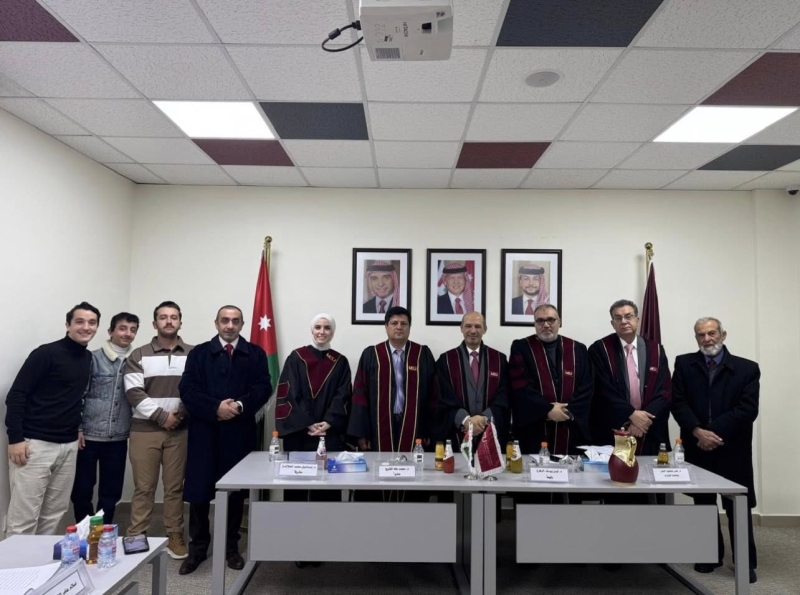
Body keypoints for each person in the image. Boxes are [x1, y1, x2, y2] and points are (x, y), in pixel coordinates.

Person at [178, 305, 272, 575]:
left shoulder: (255, 353)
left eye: (235, 321)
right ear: (216, 323)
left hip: (239, 432)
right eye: (225, 320)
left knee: (235, 492)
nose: (229, 325)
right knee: (199, 492)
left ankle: (231, 547)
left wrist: (239, 406)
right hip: (204, 431)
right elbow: (187, 389)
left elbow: (263, 387)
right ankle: (198, 549)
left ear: (242, 324)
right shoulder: (199, 353)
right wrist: (215, 408)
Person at [672, 317, 759, 584]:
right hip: (698, 445)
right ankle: (709, 555)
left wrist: (713, 433)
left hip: (732, 446)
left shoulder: (747, 368)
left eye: (712, 333)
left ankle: (745, 561)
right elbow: (678, 402)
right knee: (704, 504)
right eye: (701, 335)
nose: (707, 339)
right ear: (696, 338)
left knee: (737, 506)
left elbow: (747, 409)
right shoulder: (684, 364)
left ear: (723, 334)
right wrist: (698, 431)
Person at [5, 302, 99, 536]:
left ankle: (41, 560)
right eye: (79, 321)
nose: (86, 327)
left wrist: (77, 429)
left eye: (92, 323)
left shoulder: (87, 357)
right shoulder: (46, 353)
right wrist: (15, 438)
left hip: (68, 446)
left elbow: (73, 397)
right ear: (68, 325)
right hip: (34, 445)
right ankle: (14, 561)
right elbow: (16, 395)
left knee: (54, 513)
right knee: (23, 519)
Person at [124, 301, 192, 560]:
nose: (168, 321)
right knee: (144, 487)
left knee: (174, 487)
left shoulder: (194, 354)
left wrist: (179, 415)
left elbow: (196, 389)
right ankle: (136, 534)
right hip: (145, 431)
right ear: (154, 324)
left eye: (174, 317)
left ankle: (174, 534)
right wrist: (163, 417)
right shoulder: (139, 354)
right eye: (163, 317)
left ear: (180, 322)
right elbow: (133, 392)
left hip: (180, 430)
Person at [71, 312, 139, 525]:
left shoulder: (137, 362)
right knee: (82, 490)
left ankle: (102, 532)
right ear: (110, 331)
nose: (127, 333)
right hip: (88, 436)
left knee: (111, 492)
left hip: (118, 437)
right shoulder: (92, 359)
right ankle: (85, 531)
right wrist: (78, 428)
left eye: (133, 330)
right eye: (122, 328)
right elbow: (78, 395)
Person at [275, 313, 352, 498]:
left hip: (328, 432)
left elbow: (343, 395)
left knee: (327, 488)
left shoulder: (340, 362)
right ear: (312, 331)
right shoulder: (296, 357)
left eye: (327, 328)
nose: (322, 331)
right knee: (296, 487)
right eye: (318, 327)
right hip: (299, 432)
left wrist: (329, 421)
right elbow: (290, 393)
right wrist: (307, 422)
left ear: (332, 332)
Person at [348, 306, 437, 453]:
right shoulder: (371, 355)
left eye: (404, 323)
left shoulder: (423, 355)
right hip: (377, 426)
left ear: (409, 328)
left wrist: (430, 430)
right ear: (386, 327)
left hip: (416, 425)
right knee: (380, 464)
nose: (399, 327)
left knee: (411, 465)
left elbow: (433, 395)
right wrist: (361, 432)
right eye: (394, 323)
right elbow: (360, 395)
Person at [588, 299, 671, 455]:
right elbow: (602, 389)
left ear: (637, 320)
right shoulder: (599, 349)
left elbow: (664, 389)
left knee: (648, 468)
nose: (624, 321)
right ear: (612, 323)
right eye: (618, 318)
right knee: (614, 469)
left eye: (628, 316)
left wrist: (643, 420)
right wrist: (631, 414)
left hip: (649, 429)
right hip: (613, 428)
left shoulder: (656, 350)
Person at [508, 304, 591, 457]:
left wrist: (566, 411)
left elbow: (586, 387)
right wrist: (547, 410)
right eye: (540, 321)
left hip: (571, 428)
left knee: (571, 469)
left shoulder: (578, 349)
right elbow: (520, 385)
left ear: (559, 322)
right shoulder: (521, 348)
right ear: (534, 324)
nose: (546, 325)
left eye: (551, 320)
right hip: (534, 429)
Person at [437, 312, 508, 446]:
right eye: (468, 326)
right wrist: (465, 420)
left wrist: (484, 418)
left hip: (491, 431)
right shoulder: (446, 360)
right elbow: (443, 395)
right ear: (461, 328)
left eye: (478, 326)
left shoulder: (499, 359)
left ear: (485, 329)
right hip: (457, 433)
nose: (473, 331)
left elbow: (504, 395)